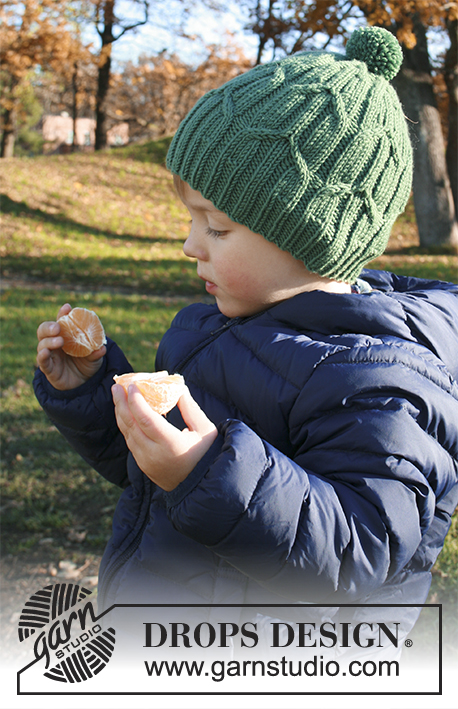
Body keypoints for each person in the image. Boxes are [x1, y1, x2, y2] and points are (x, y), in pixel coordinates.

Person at [34, 27, 458, 652]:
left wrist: (206, 470)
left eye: (217, 226)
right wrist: (97, 391)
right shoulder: (209, 329)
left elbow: (361, 552)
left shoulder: (376, 379)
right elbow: (154, 477)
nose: (189, 244)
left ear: (308, 238)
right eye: (191, 219)